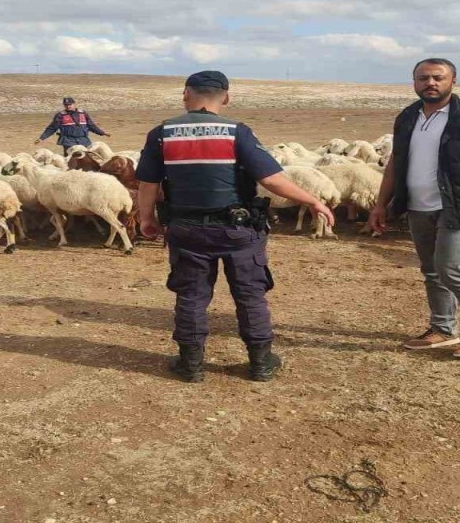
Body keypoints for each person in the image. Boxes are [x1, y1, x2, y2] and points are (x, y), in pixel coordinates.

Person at [136, 71, 336, 383]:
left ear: (185, 94)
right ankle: (260, 363)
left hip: (186, 228)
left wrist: (145, 218)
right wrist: (313, 200)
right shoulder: (237, 132)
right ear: (226, 97)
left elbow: (148, 183)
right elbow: (270, 179)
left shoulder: (162, 133)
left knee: (191, 295)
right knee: (249, 294)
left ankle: (191, 364)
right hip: (237, 230)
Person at [368, 58, 460, 360]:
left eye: (437, 77)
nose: (430, 83)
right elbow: (396, 161)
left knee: (453, 267)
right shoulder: (407, 117)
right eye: (423, 78)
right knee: (432, 270)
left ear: (452, 81)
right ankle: (443, 329)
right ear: (414, 82)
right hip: (419, 205)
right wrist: (382, 204)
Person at [34, 97, 109, 155]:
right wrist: (42, 138)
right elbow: (52, 128)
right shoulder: (60, 115)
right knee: (70, 159)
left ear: (74, 104)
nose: (68, 106)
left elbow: (91, 125)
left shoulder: (83, 113)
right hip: (68, 141)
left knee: (86, 157)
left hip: (83, 140)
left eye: (70, 104)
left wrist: (102, 133)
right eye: (66, 105)